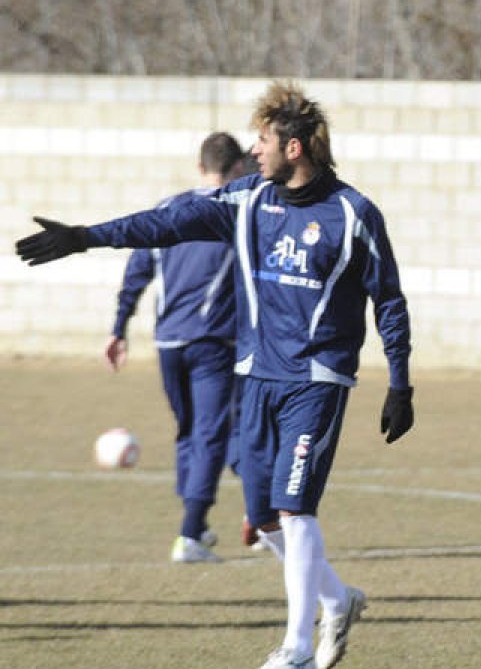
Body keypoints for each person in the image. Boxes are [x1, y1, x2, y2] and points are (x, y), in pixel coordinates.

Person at [17, 80, 415, 669]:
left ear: (295, 149)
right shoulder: (248, 200)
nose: (255, 152)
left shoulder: (354, 215)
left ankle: (297, 648)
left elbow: (389, 300)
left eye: (263, 141)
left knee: (295, 509)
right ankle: (338, 600)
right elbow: (166, 224)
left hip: (318, 381)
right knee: (262, 520)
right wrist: (85, 237)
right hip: (254, 377)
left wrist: (400, 381)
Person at [105, 132, 245, 564]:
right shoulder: (238, 214)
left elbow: (137, 269)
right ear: (237, 168)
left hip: (167, 343)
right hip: (211, 343)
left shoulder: (168, 209)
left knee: (188, 432)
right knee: (209, 436)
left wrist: (119, 327)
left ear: (200, 167)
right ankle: (190, 535)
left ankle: (197, 525)